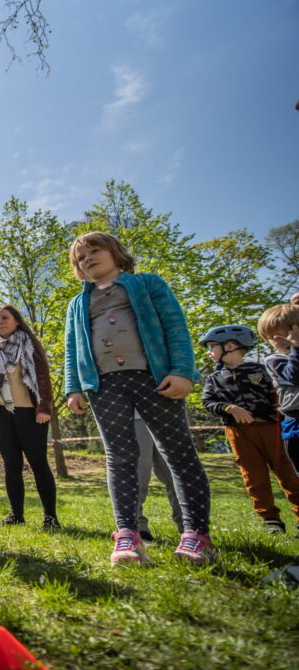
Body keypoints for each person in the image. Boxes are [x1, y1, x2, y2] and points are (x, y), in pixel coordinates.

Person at [65, 232, 215, 566]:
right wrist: (74, 387)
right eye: (81, 257)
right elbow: (72, 350)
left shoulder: (147, 284)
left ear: (116, 252)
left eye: (95, 250)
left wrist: (182, 371)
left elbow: (175, 327)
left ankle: (196, 535)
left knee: (178, 453)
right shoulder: (77, 304)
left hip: (154, 378)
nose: (88, 258)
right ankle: (128, 536)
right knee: (120, 457)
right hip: (104, 386)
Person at [200, 324, 299, 534]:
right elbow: (208, 402)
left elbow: (278, 395)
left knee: (287, 470)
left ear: (229, 346)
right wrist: (229, 408)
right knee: (253, 474)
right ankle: (270, 519)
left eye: (211, 346)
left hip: (270, 428)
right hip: (238, 432)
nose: (209, 352)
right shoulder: (214, 379)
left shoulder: (261, 370)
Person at [0, 305, 59, 529]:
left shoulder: (30, 345)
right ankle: (16, 516)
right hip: (1, 413)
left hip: (31, 412)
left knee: (39, 463)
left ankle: (50, 517)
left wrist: (44, 408)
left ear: (17, 321)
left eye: (5, 318)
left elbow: (43, 378)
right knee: (11, 465)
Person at [259, 305, 299, 474]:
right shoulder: (274, 360)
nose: (284, 341)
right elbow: (293, 376)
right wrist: (296, 347)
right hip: (296, 421)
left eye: (290, 334)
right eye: (275, 337)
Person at [134, 412, 184, 541]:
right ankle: (137, 527)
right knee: (139, 476)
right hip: (133, 416)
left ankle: (188, 527)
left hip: (166, 414)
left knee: (176, 475)